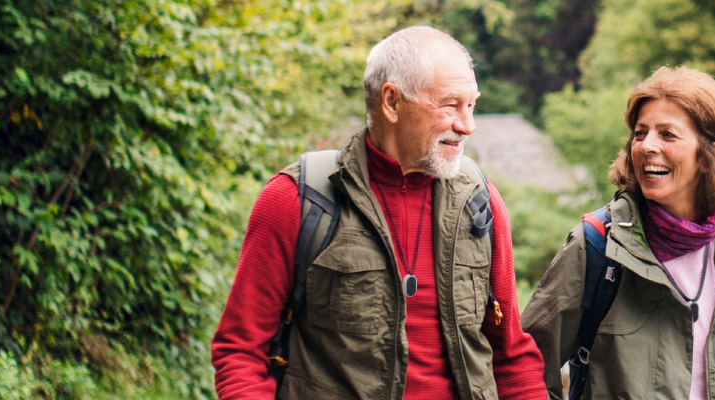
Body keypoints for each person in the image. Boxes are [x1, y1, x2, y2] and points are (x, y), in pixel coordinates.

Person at [209, 26, 545, 400]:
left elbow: (512, 357)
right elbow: (240, 351)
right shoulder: (297, 199)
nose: (468, 125)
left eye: (472, 105)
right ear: (391, 102)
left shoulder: (480, 203)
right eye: (450, 105)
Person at [523, 66, 715, 400]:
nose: (646, 146)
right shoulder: (596, 245)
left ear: (710, 155)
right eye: (640, 133)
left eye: (667, 134)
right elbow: (526, 372)